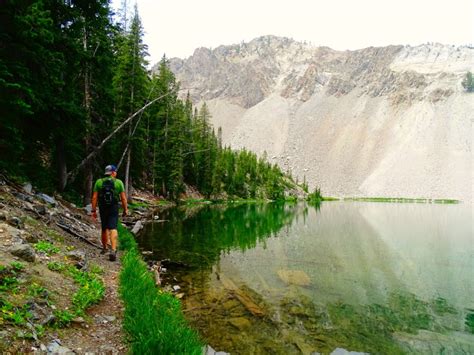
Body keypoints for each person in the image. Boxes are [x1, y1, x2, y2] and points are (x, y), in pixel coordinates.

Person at [91, 164, 128, 261]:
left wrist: (93, 210)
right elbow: (123, 198)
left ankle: (104, 248)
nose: (116, 173)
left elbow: (94, 197)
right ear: (112, 172)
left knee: (104, 228)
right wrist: (125, 210)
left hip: (103, 207)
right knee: (113, 227)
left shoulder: (99, 182)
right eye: (115, 171)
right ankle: (113, 249)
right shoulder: (119, 183)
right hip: (113, 207)